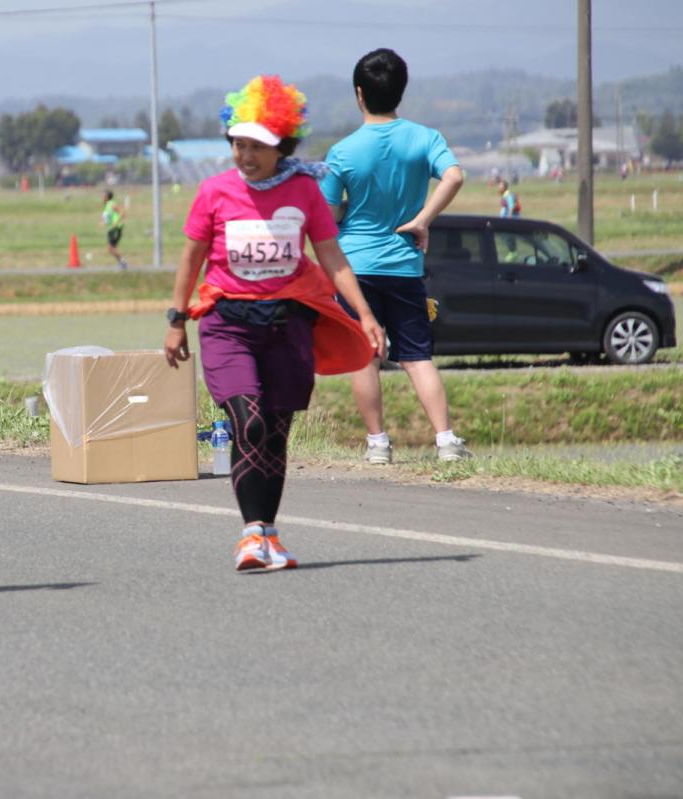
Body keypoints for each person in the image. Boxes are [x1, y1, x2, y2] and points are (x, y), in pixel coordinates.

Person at [163, 75, 384, 573]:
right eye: (238, 144)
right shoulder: (214, 192)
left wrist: (364, 314)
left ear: (281, 145)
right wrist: (176, 320)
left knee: (277, 431)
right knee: (251, 419)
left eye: (257, 145)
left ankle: (268, 531)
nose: (246, 154)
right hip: (228, 322)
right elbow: (190, 259)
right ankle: (248, 536)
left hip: (288, 324)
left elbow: (332, 257)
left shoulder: (305, 191)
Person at [319, 48, 469, 465]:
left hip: (354, 266)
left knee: (363, 355)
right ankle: (446, 441)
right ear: (400, 91)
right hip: (404, 263)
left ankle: (378, 444)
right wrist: (423, 219)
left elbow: (328, 217)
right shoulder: (425, 138)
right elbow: (454, 176)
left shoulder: (342, 152)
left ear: (359, 94)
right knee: (418, 356)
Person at [101, 190, 128, 270]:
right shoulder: (107, 205)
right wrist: (103, 223)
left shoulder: (112, 204)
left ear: (107, 197)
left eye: (103, 196)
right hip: (111, 228)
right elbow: (108, 218)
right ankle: (121, 262)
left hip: (115, 228)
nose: (102, 198)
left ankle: (122, 262)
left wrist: (116, 222)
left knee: (111, 248)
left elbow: (122, 212)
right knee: (111, 248)